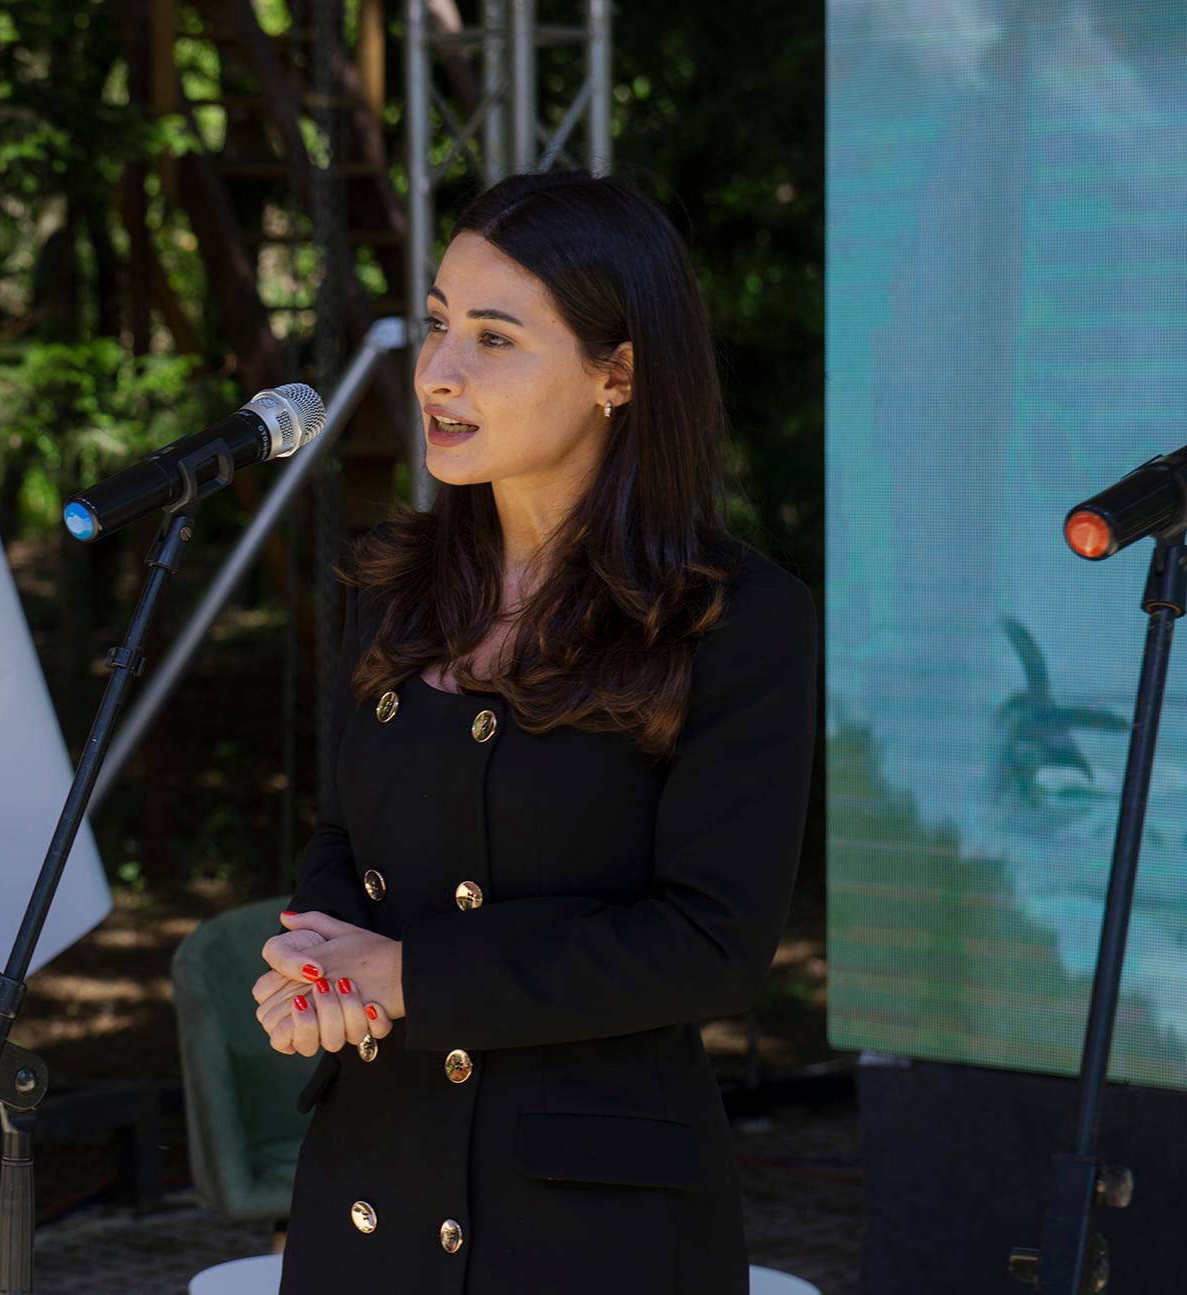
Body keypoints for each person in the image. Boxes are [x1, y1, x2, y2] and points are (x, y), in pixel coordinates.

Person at [250, 170, 819, 1294]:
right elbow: (343, 837)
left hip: (591, 1224)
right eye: (438, 324)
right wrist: (317, 967)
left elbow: (711, 943)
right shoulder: (393, 586)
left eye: (495, 338)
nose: (439, 371)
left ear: (618, 374)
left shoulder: (737, 618)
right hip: (372, 1185)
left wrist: (407, 975)